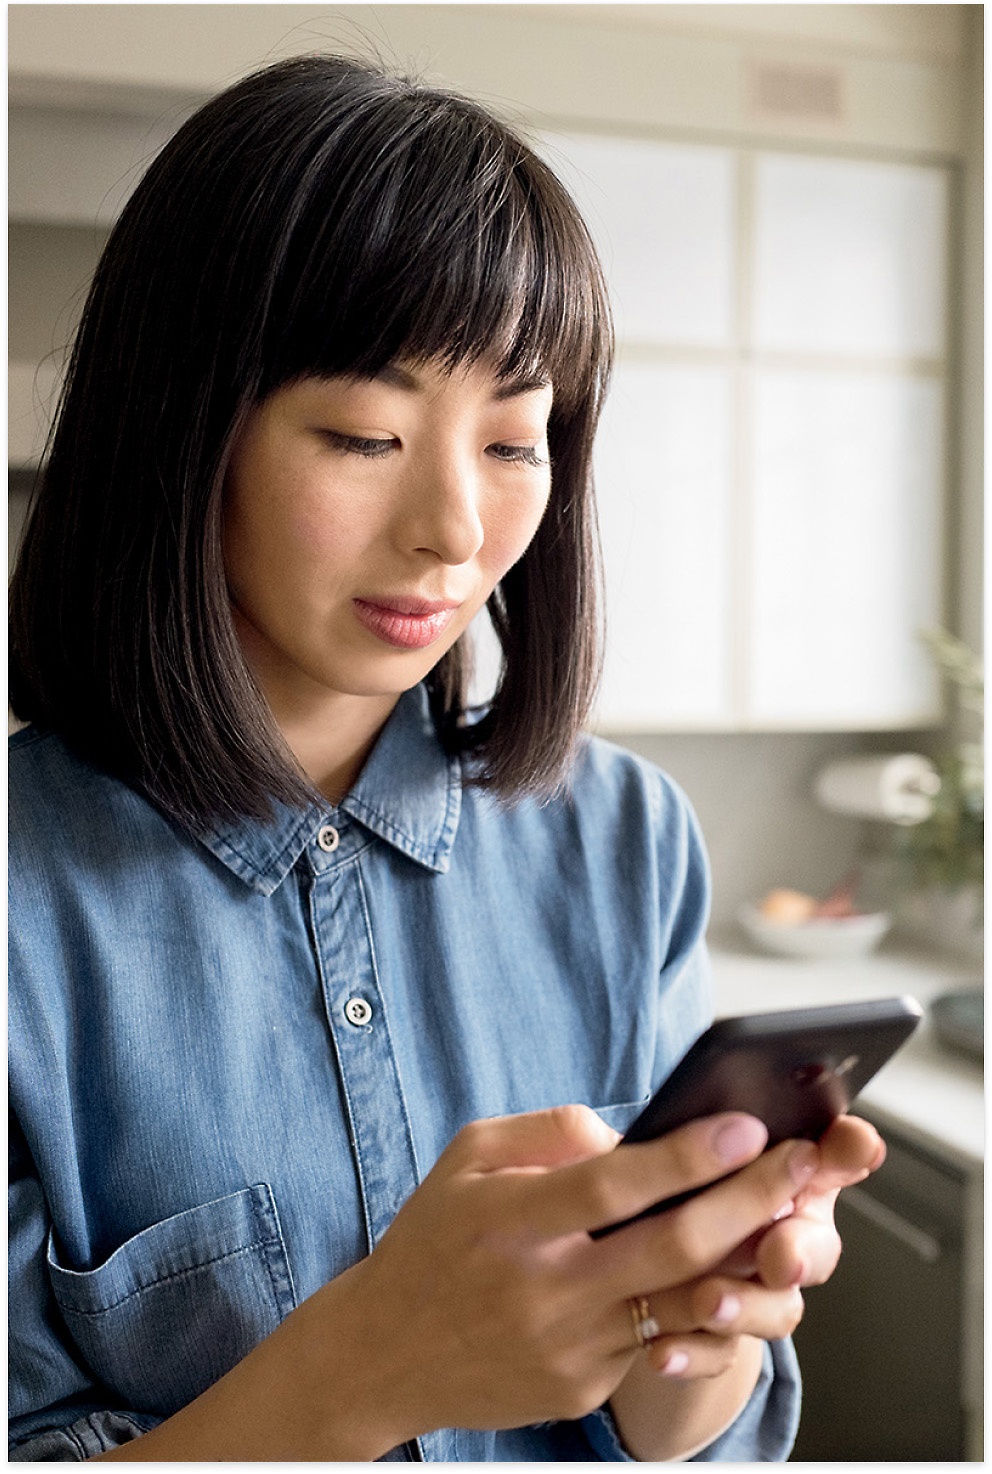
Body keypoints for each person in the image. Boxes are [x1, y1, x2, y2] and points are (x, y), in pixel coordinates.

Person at [8, 54, 884, 1463]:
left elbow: (687, 1434)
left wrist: (703, 1325)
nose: (455, 529)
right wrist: (378, 1359)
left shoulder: (628, 839)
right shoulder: (24, 894)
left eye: (514, 439)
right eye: (369, 433)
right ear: (185, 433)